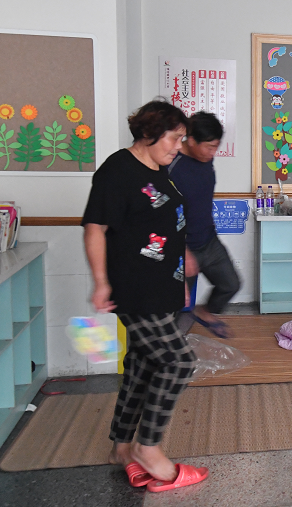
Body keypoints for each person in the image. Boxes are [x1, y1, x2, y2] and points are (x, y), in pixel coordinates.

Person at [82, 100, 208, 491]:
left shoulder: (158, 168)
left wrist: (181, 264)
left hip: (162, 284)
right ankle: (148, 449)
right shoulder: (117, 170)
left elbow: (164, 221)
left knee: (142, 365)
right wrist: (101, 282)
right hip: (135, 286)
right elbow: (95, 228)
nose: (179, 146)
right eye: (174, 138)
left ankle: (122, 450)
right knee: (178, 362)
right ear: (149, 134)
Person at [167, 111, 241, 338]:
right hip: (182, 248)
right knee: (177, 304)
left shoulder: (206, 160)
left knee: (230, 284)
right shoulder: (171, 166)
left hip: (208, 240)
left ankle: (205, 312)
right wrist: (183, 251)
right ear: (191, 141)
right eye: (208, 147)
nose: (212, 153)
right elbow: (165, 217)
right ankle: (171, 346)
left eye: (215, 147)